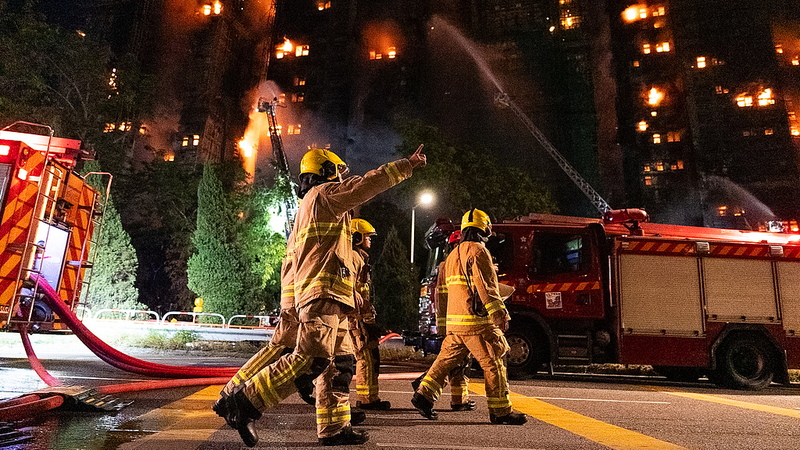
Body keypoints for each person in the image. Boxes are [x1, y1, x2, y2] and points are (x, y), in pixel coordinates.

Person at [216, 145, 426, 447]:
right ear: (326, 171)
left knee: (339, 368)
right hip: (323, 295)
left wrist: (293, 304)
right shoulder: (324, 195)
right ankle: (246, 403)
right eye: (339, 173)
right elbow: (366, 184)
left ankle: (334, 428)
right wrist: (407, 165)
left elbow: (293, 262)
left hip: (332, 299)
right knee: (311, 360)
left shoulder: (308, 207)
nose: (343, 179)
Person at [411, 208, 526, 425]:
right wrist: (500, 315)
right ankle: (500, 411)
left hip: (456, 324)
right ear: (484, 228)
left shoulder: (452, 255)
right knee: (494, 361)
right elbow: (487, 288)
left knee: (445, 361)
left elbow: (442, 292)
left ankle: (423, 396)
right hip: (476, 323)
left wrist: (443, 326)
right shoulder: (479, 251)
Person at [411, 229, 475, 411]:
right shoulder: (450, 264)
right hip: (456, 322)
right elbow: (441, 298)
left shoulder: (453, 263)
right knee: (452, 361)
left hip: (457, 320)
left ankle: (459, 400)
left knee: (461, 361)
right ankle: (424, 387)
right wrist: (441, 327)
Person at [349, 218, 391, 410]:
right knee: (364, 357)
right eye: (367, 236)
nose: (370, 239)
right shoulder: (353, 257)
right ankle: (366, 400)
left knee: (372, 356)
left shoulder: (361, 257)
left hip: (364, 315)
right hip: (357, 317)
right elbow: (348, 286)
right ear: (356, 237)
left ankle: (371, 397)